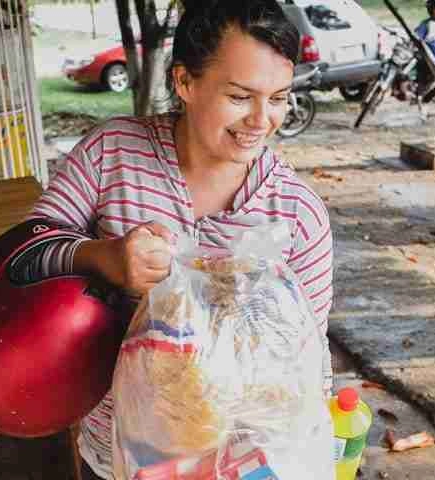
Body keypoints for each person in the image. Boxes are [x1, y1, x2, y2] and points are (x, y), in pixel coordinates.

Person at [27, 1, 334, 478]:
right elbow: (24, 256)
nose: (261, 120)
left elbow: (306, 365)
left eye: (278, 98)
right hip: (117, 460)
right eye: (239, 96)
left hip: (248, 468)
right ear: (184, 81)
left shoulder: (296, 214)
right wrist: (103, 257)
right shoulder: (112, 156)